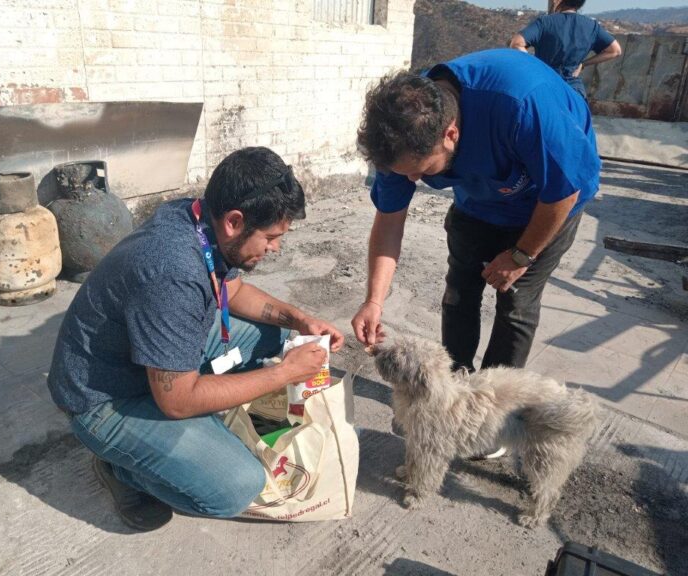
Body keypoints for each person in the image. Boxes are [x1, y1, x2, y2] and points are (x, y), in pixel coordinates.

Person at [47, 146, 343, 531]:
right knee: (237, 486)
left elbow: (232, 293)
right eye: (270, 237)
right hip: (106, 399)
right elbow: (177, 400)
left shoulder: (200, 218)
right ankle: (122, 469)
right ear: (235, 222)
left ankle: (228, 428)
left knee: (281, 334)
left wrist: (300, 319)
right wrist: (284, 374)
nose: (275, 248)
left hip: (153, 358)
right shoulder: (173, 272)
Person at [351, 48, 600, 381]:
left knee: (515, 305)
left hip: (550, 204)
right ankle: (453, 390)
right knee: (459, 294)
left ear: (450, 134)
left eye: (422, 171)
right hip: (480, 201)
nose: (412, 180)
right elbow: (389, 223)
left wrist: (521, 255)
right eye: (404, 173)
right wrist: (374, 301)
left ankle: (493, 403)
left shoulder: (521, 103)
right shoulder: (399, 137)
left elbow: (563, 191)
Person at [510, 0, 622, 99]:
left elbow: (517, 43)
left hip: (544, 86)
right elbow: (615, 50)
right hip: (574, 89)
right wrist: (583, 64)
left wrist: (536, 66)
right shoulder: (592, 26)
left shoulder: (545, 22)